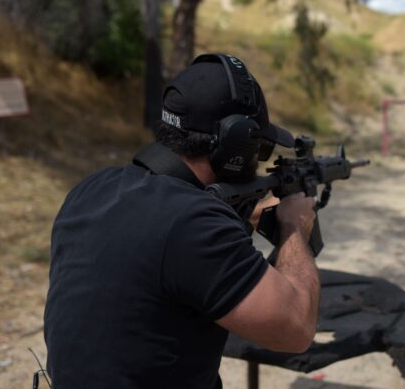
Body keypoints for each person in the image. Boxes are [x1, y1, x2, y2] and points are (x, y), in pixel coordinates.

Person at [44, 54, 321, 389]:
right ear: (236, 142)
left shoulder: (92, 189)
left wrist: (239, 219)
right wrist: (295, 226)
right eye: (259, 149)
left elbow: (157, 254)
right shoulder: (193, 223)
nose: (259, 162)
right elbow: (295, 331)